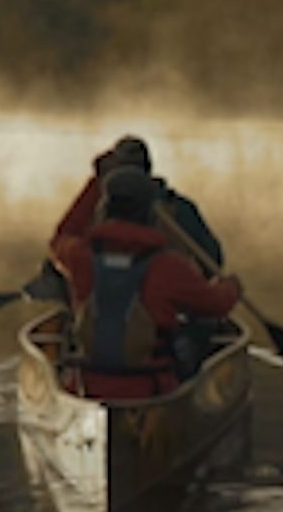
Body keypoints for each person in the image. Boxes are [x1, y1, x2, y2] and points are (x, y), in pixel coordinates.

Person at [50, 164, 244, 398]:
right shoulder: (170, 267)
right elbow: (216, 304)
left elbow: (62, 236)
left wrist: (95, 182)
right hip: (150, 389)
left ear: (104, 209)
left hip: (87, 386)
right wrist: (231, 288)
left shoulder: (80, 258)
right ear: (151, 214)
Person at [49, 133, 224, 273]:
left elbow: (61, 242)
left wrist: (96, 184)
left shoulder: (98, 207)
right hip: (169, 305)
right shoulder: (180, 208)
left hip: (107, 308)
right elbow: (213, 261)